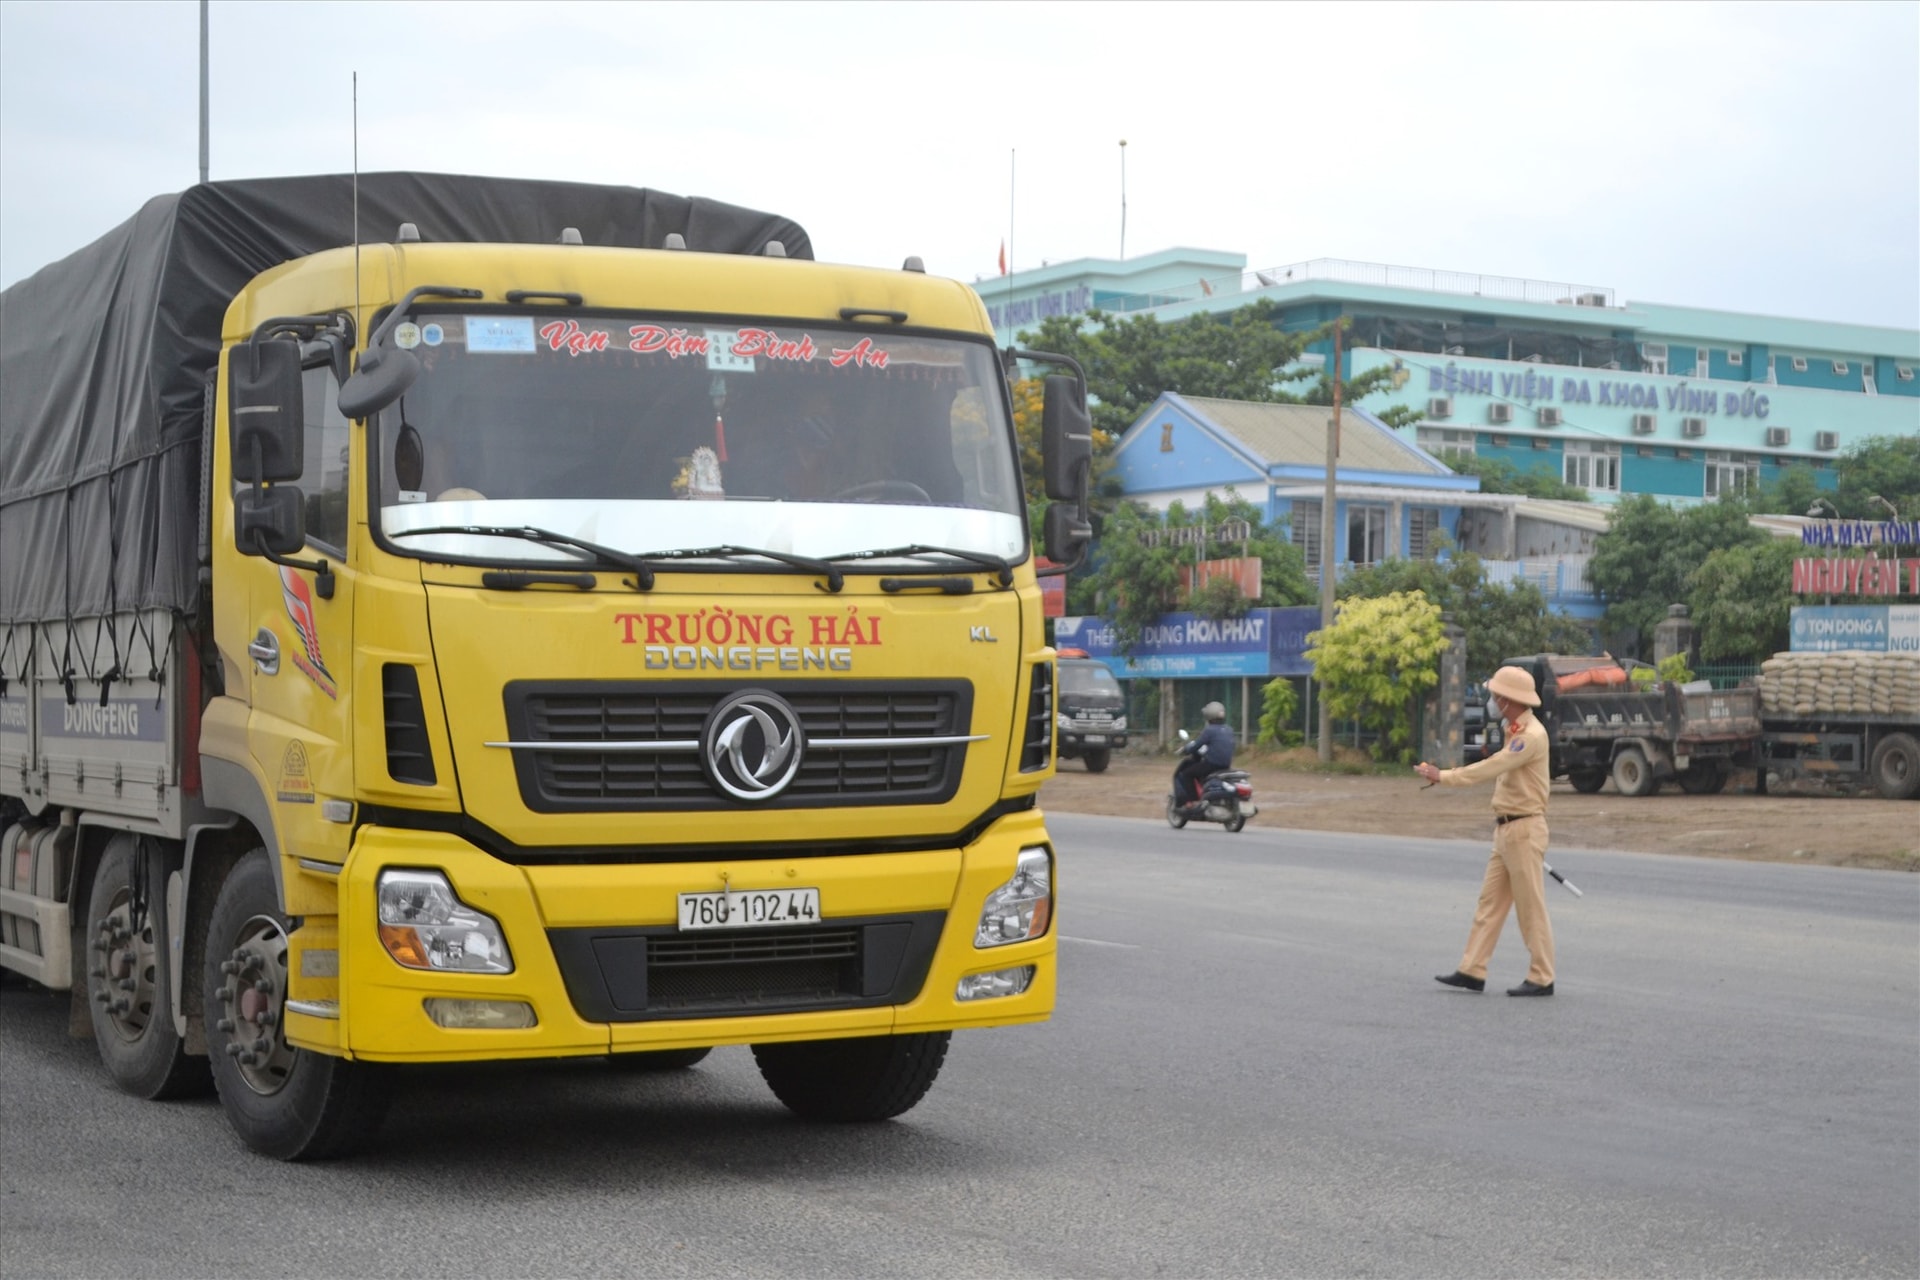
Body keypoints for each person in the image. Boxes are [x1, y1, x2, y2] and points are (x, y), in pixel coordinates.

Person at [1415, 664, 1557, 997]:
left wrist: (1444, 776)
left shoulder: (1530, 737)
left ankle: (1542, 976)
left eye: (1496, 695)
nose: (1492, 700)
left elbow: (1492, 767)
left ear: (1509, 699)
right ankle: (1472, 969)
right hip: (1506, 829)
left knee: (1530, 909)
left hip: (1523, 829)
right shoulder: (1515, 729)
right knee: (1489, 905)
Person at [1172, 701, 1235, 811]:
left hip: (1212, 764)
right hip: (1226, 764)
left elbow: (1197, 745)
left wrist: (1186, 749)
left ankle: (1194, 801)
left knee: (1187, 774)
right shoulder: (1229, 729)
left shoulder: (1209, 730)